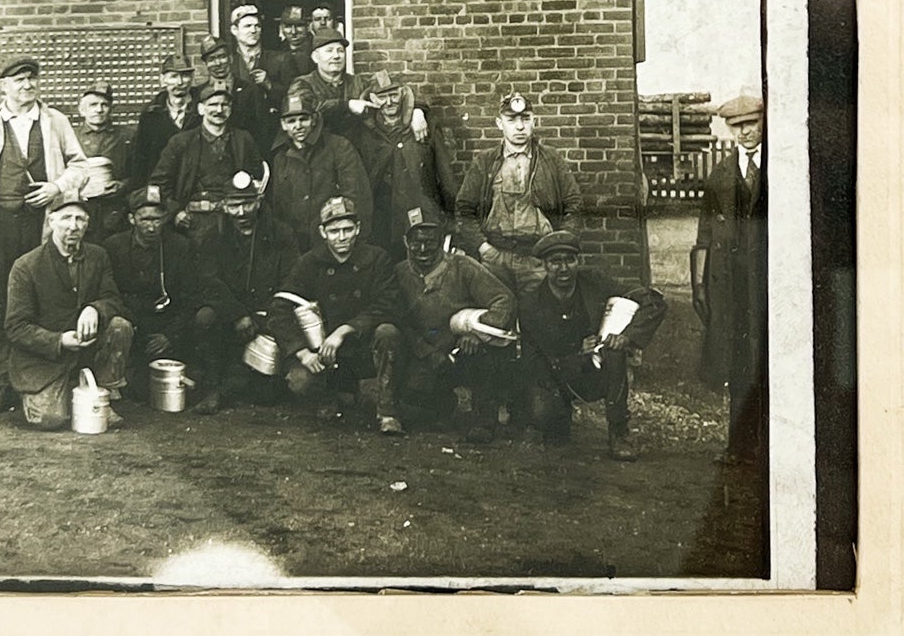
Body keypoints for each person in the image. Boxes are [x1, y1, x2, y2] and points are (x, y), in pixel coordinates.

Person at [0, 57, 93, 412]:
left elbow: (81, 165)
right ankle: (2, 383)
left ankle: (43, 379)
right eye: (18, 80)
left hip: (43, 226)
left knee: (44, 300)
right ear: (3, 86)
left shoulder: (55, 121)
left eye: (32, 79)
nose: (27, 86)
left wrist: (57, 188)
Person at [516, 229, 666, 461]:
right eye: (555, 262)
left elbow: (653, 301)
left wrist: (627, 336)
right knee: (548, 425)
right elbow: (534, 362)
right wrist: (577, 355)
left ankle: (619, 433)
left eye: (570, 260)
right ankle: (556, 414)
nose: (563, 268)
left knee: (614, 351)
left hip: (594, 372)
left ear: (578, 261)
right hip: (554, 376)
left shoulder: (595, 283)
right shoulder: (531, 304)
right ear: (545, 265)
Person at [270, 194, 405, 431]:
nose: (341, 237)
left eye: (347, 229)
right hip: (323, 353)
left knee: (388, 332)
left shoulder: (376, 258)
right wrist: (302, 353)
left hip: (363, 345)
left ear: (358, 229)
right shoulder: (309, 263)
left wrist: (345, 330)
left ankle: (387, 411)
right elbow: (280, 307)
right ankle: (329, 396)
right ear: (323, 232)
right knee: (299, 381)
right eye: (334, 231)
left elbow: (388, 304)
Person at [2, 193, 134, 430]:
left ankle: (101, 394)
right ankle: (43, 394)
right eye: (65, 218)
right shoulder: (26, 266)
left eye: (80, 219)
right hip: (43, 360)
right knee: (51, 419)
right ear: (51, 221)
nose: (73, 226)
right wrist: (59, 340)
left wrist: (95, 309)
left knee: (120, 326)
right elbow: (15, 327)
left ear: (87, 224)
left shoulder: (98, 256)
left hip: (85, 351)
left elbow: (114, 299)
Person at [392, 206, 519, 438]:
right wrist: (427, 352)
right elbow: (399, 320)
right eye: (416, 242)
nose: (422, 249)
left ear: (442, 241)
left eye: (430, 242)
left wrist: (477, 334)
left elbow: (504, 300)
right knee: (412, 413)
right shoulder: (399, 274)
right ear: (405, 241)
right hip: (428, 355)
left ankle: (483, 419)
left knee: (484, 362)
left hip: (465, 351)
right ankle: (442, 405)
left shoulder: (464, 267)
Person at [694, 94, 770, 465]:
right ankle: (739, 446)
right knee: (739, 362)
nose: (747, 133)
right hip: (733, 287)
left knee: (771, 360)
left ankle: (774, 447)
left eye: (752, 124)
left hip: (769, 283)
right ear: (730, 129)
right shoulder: (720, 176)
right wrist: (699, 286)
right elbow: (704, 235)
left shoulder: (780, 169)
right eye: (739, 127)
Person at [104, 184, 221, 411]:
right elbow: (111, 294)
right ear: (131, 219)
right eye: (144, 219)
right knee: (139, 391)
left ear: (165, 219)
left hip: (170, 325)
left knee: (182, 384)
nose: (151, 226)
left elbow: (191, 297)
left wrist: (170, 335)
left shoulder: (180, 247)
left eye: (157, 219)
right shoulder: (114, 247)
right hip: (134, 325)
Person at [191, 168, 298, 407]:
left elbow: (291, 280)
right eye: (233, 206)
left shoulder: (281, 234)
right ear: (224, 206)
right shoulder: (213, 236)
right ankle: (214, 386)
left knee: (265, 398)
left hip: (268, 315)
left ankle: (250, 382)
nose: (241, 213)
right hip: (230, 315)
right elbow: (209, 281)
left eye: (247, 204)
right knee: (205, 318)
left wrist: (266, 314)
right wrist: (237, 314)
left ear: (258, 202)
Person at [454, 91, 582, 290]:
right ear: (499, 123)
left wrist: (558, 247)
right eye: (511, 120)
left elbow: (573, 204)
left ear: (534, 122)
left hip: (538, 259)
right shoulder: (486, 161)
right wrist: (483, 248)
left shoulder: (551, 159)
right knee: (499, 314)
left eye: (525, 119)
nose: (520, 126)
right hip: (495, 258)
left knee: (537, 316)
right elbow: (464, 209)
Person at [150, 79, 263, 249]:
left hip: (234, 221)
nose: (219, 110)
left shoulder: (243, 139)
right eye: (213, 104)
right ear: (201, 109)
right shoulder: (181, 142)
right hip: (194, 222)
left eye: (225, 105)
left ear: (230, 109)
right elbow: (158, 184)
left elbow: (258, 178)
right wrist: (175, 212)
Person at [361, 70, 458, 256]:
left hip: (418, 214)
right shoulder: (366, 131)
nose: (389, 102)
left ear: (403, 93)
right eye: (382, 96)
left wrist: (453, 216)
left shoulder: (423, 126)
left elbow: (445, 173)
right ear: (372, 98)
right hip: (381, 218)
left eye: (393, 95)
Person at [267, 87, 372, 252]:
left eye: (304, 119)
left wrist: (353, 242)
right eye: (291, 121)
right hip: (296, 246)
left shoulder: (339, 147)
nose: (298, 126)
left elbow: (357, 197)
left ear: (314, 119)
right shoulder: (280, 157)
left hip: (333, 242)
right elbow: (279, 207)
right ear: (283, 125)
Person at [289, 24, 373, 161]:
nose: (336, 56)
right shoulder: (302, 84)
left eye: (340, 51)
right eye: (329, 51)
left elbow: (386, 97)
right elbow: (306, 110)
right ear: (315, 57)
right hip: (318, 156)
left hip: (357, 155)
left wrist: (416, 112)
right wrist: (346, 105)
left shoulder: (358, 83)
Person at [73, 80, 133, 238]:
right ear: (82, 110)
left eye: (104, 105)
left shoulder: (127, 136)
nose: (99, 110)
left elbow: (140, 173)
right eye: (93, 105)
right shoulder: (71, 137)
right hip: (81, 208)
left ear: (111, 109)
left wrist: (122, 186)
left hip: (115, 211)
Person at [130, 57, 199, 189]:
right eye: (173, 76)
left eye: (185, 76)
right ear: (163, 80)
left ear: (192, 78)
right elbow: (141, 157)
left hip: (196, 186)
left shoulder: (203, 108)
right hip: (164, 185)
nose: (180, 82)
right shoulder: (151, 114)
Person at [222, 3, 284, 143]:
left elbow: (292, 96)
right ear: (234, 30)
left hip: (272, 134)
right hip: (239, 135)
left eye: (257, 26)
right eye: (247, 26)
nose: (253, 30)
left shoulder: (279, 60)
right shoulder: (228, 64)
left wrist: (269, 85)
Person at [272, 5, 315, 82]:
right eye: (288, 26)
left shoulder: (317, 49)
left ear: (308, 26)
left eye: (299, 25)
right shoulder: (276, 51)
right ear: (281, 28)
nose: (293, 32)